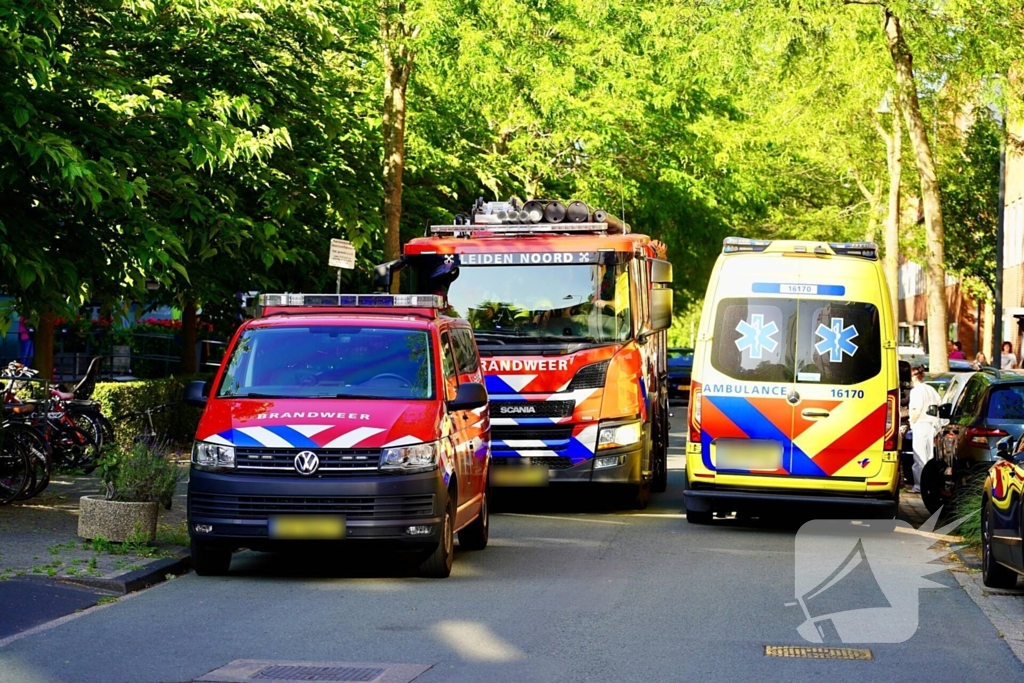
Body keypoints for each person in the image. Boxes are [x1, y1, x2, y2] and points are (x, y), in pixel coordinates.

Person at [907, 364, 941, 494]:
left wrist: (912, 422)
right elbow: (939, 402)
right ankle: (929, 485)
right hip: (932, 425)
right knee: (929, 456)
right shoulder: (930, 389)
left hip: (921, 424)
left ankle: (919, 485)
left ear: (914, 377)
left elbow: (917, 409)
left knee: (919, 457)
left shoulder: (916, 391)